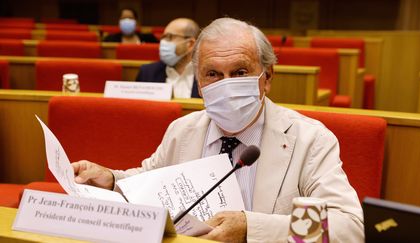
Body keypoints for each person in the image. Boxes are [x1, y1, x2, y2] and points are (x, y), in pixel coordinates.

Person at [72, 17, 364, 242]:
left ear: (267, 77)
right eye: (213, 74)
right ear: (198, 83)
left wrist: (252, 228)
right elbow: (148, 180)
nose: (226, 84)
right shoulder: (182, 130)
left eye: (239, 72)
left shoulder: (310, 139)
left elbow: (347, 228)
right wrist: (111, 179)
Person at [135, 18, 200, 98]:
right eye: (163, 37)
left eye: (169, 37)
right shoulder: (147, 73)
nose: (163, 42)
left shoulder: (208, 76)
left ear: (190, 44)